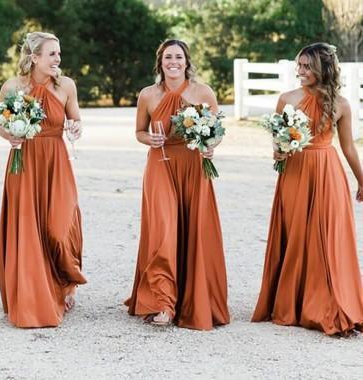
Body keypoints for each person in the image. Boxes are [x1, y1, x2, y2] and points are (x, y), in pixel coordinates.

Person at [252, 42, 363, 335]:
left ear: (322, 68)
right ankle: (294, 302)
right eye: (298, 65)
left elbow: (349, 148)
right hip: (296, 172)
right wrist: (277, 151)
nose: (299, 71)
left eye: (306, 66)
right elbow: (278, 140)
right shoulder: (286, 99)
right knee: (298, 234)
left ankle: (327, 302)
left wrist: (362, 181)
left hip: (328, 171)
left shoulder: (341, 104)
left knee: (327, 237)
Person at [125, 39, 230, 330]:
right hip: (160, 162)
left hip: (194, 165)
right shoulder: (147, 95)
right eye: (168, 57)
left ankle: (192, 298)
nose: (174, 62)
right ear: (160, 61)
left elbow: (217, 131)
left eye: (179, 57)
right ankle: (162, 302)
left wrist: (211, 146)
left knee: (195, 229)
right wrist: (150, 138)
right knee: (163, 229)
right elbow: (139, 132)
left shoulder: (203, 92)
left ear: (187, 61)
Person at [0, 32, 86, 328]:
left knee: (60, 227)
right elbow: (2, 127)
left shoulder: (66, 86)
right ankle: (34, 295)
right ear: (34, 57)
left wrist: (75, 129)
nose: (57, 59)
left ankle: (64, 282)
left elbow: (75, 119)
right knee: (29, 230)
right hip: (24, 163)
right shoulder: (12, 87)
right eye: (51, 54)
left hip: (56, 161)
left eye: (59, 54)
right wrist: (10, 136)